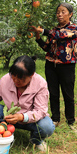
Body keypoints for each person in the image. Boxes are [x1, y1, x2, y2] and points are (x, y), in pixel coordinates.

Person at [0, 55, 55, 152]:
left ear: (31, 75)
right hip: (9, 117)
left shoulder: (40, 84)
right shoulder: (6, 79)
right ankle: (6, 131)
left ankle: (36, 140)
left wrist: (22, 117)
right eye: (14, 76)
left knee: (47, 126)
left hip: (30, 120)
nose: (16, 80)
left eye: (21, 78)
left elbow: (40, 111)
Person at [30, 2, 76, 130]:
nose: (59, 14)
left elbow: (61, 35)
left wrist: (43, 30)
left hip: (67, 66)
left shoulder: (73, 29)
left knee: (68, 94)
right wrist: (38, 36)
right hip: (51, 65)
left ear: (70, 14)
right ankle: (55, 119)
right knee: (53, 93)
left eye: (63, 12)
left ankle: (70, 121)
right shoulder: (53, 30)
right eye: (58, 12)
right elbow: (47, 48)